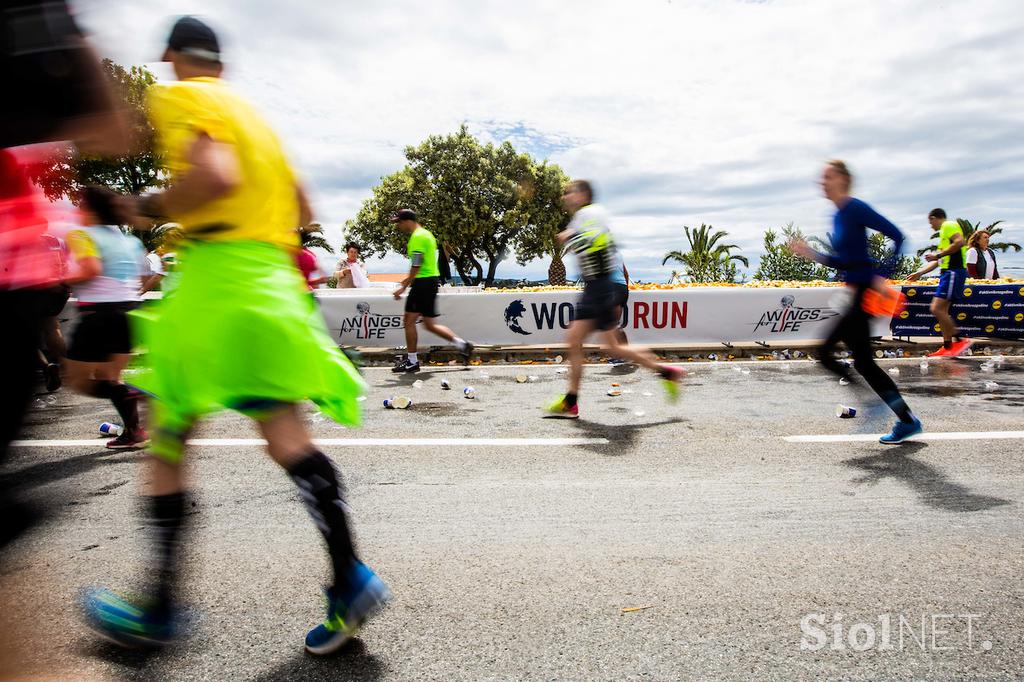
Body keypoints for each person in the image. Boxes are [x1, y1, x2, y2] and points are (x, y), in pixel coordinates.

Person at [81, 17, 389, 655]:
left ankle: (159, 608)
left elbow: (213, 177)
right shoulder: (262, 123)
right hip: (272, 289)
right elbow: (304, 209)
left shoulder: (183, 97)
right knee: (287, 438)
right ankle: (349, 577)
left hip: (214, 285)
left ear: (173, 55)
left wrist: (151, 205)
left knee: (168, 438)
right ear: (219, 58)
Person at [789, 160, 922, 444]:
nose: (821, 182)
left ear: (842, 179)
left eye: (826, 177)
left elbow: (898, 237)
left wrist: (880, 275)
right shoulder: (837, 216)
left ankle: (878, 406)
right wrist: (810, 253)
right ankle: (906, 419)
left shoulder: (855, 208)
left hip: (864, 292)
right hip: (853, 290)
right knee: (862, 362)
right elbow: (845, 261)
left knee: (827, 353)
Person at [546, 180, 684, 418]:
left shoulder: (589, 213)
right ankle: (666, 372)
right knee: (613, 347)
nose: (565, 197)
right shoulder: (586, 216)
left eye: (569, 192)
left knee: (576, 341)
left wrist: (570, 236)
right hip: (598, 286)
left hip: (597, 286)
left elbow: (596, 240)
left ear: (583, 194)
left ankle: (571, 402)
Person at [63, 186, 149, 448]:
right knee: (111, 378)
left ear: (89, 209)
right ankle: (134, 433)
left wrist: (61, 279)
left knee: (76, 380)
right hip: (129, 312)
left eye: (80, 205)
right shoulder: (129, 240)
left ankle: (141, 395)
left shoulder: (81, 234)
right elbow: (142, 275)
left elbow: (91, 268)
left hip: (98, 315)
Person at [390, 209, 473, 372]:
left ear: (408, 221)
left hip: (422, 282)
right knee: (429, 324)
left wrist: (404, 285)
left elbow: (417, 263)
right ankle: (463, 345)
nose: (398, 226)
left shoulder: (418, 237)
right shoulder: (427, 234)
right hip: (431, 282)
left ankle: (412, 361)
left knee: (408, 321)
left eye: (399, 222)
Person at [905, 209, 971, 357]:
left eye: (930, 222)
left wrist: (938, 254)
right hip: (948, 272)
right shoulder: (944, 233)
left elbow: (960, 242)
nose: (931, 226)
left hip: (953, 272)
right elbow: (938, 261)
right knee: (942, 311)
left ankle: (960, 340)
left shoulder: (948, 225)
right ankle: (947, 346)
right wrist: (920, 273)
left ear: (935, 218)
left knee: (936, 309)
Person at [607, 261, 631, 364]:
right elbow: (626, 273)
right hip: (621, 287)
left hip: (614, 288)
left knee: (613, 324)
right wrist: (625, 287)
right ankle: (621, 353)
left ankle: (626, 354)